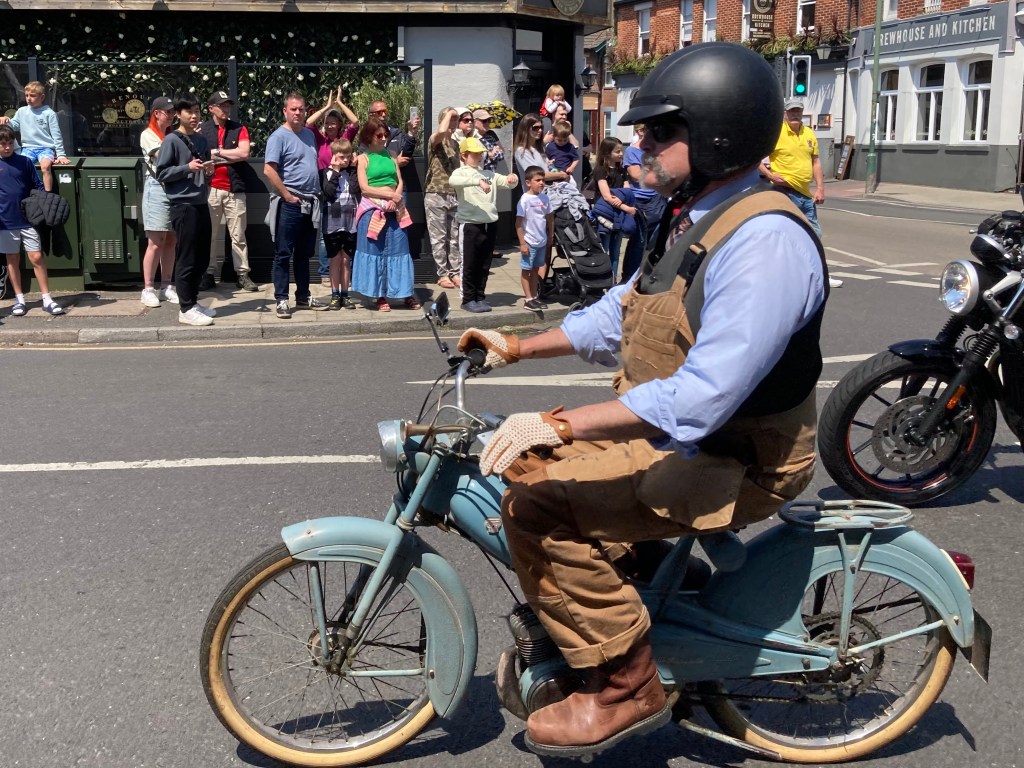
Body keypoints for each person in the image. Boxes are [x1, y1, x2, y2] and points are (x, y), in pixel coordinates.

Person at [457, 43, 828, 757]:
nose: (641, 143)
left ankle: (629, 687)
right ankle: (617, 608)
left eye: (661, 131)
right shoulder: (695, 216)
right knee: (523, 466)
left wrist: (559, 421)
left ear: (719, 134)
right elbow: (620, 314)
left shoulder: (765, 242)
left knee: (539, 508)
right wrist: (516, 346)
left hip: (734, 457)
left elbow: (700, 397)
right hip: (679, 437)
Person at [761, 99, 842, 288]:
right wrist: (770, 174)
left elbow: (816, 161)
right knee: (785, 236)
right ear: (784, 114)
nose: (795, 115)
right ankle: (778, 276)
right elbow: (757, 158)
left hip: (805, 194)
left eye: (798, 111)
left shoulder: (808, 133)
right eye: (791, 112)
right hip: (784, 192)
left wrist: (820, 188)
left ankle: (818, 275)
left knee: (815, 234)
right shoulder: (776, 133)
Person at [263, 91, 329, 318]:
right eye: (293, 109)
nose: (298, 112)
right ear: (285, 111)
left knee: (304, 253)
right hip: (290, 204)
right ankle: (282, 299)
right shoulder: (278, 137)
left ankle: (303, 296)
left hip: (311, 203)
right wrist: (287, 195)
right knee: (283, 253)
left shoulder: (309, 135)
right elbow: (269, 169)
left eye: (301, 109)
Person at [155, 94, 216, 327]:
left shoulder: (201, 141)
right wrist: (187, 168)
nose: (194, 116)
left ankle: (193, 301)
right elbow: (162, 173)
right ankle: (185, 308)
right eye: (189, 111)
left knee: (201, 257)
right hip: (183, 205)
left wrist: (207, 171)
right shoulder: (171, 140)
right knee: (187, 257)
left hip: (201, 202)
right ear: (178, 114)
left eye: (197, 111)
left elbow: (203, 170)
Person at [351, 117, 418, 312]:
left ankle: (404, 293)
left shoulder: (391, 155)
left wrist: (395, 196)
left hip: (394, 207)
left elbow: (399, 180)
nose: (382, 138)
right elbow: (364, 188)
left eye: (385, 135)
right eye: (378, 135)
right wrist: (389, 195)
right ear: (369, 137)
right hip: (373, 208)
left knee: (400, 250)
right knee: (375, 252)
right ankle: (379, 296)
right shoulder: (363, 158)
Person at [0, 124, 64, 317]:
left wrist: (44, 202)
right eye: (3, 144)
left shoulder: (25, 162)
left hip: (28, 218)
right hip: (5, 219)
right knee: (12, 258)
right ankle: (19, 299)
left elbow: (37, 185)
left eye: (10, 143)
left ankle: (47, 298)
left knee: (36, 257)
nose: (7, 147)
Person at [200, 90, 260, 293]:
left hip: (235, 190)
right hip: (210, 188)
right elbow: (199, 155)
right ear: (211, 109)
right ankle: (208, 273)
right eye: (222, 105)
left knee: (238, 234)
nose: (226, 109)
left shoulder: (239, 128)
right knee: (209, 234)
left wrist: (216, 153)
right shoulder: (203, 129)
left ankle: (242, 274)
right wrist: (228, 156)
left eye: (228, 105)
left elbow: (243, 153)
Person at [448, 136, 517, 313]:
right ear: (463, 155)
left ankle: (479, 296)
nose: (479, 157)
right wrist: (476, 181)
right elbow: (453, 182)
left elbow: (507, 183)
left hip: (489, 224)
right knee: (469, 264)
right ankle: (467, 299)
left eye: (481, 153)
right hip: (470, 225)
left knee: (484, 263)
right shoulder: (460, 173)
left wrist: (512, 178)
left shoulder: (489, 174)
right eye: (475, 154)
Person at [139, 96, 178, 308]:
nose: (171, 115)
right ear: (157, 113)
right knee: (155, 242)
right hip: (156, 188)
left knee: (171, 240)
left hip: (174, 189)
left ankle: (167, 286)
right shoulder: (147, 135)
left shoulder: (172, 135)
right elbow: (163, 155)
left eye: (173, 112)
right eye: (168, 111)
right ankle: (148, 288)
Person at [0, 81, 70, 193]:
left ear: (42, 97)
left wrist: (61, 155)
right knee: (20, 166)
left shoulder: (49, 113)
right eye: (27, 95)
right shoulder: (22, 111)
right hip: (28, 148)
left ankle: (47, 195)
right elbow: (14, 126)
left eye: (32, 95)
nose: (29, 98)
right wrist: (6, 121)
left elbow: (57, 135)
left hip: (46, 148)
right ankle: (24, 191)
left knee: (45, 167)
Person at [621, 124, 667, 279]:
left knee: (657, 239)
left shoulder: (655, 149)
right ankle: (629, 277)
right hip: (640, 201)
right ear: (639, 131)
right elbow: (636, 174)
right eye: (646, 130)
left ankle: (649, 274)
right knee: (638, 242)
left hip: (658, 198)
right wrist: (658, 171)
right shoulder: (631, 151)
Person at [589, 136, 636, 282]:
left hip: (619, 215)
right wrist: (627, 208)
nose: (621, 154)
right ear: (607, 152)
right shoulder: (600, 170)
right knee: (605, 249)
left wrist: (623, 203)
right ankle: (601, 278)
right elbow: (607, 196)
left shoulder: (622, 170)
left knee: (615, 252)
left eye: (621, 151)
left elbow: (627, 190)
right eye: (618, 151)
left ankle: (613, 280)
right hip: (605, 216)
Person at [424, 107, 462, 289]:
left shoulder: (455, 144)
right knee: (438, 237)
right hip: (436, 193)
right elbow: (440, 132)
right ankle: (442, 274)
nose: (454, 123)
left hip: (453, 194)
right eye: (451, 119)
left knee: (454, 236)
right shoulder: (434, 139)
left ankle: (455, 272)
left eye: (456, 119)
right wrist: (448, 114)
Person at [321, 139, 359, 310]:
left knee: (346, 259)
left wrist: (353, 168)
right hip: (332, 222)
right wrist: (335, 171)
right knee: (335, 258)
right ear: (334, 156)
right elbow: (328, 192)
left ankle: (345, 293)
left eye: (347, 157)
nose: (344, 160)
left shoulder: (352, 173)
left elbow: (355, 189)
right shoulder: (325, 173)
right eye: (341, 157)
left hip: (349, 221)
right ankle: (335, 293)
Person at [515, 165, 553, 312]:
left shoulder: (545, 198)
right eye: (538, 180)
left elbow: (550, 218)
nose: (541, 183)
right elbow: (518, 223)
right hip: (529, 241)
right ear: (528, 182)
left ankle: (534, 296)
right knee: (527, 270)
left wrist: (550, 236)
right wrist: (522, 243)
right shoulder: (525, 200)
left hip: (541, 240)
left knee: (536, 269)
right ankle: (528, 299)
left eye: (543, 180)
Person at [512, 114, 569, 191]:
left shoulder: (539, 148)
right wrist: (561, 175)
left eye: (541, 127)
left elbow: (546, 170)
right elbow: (536, 175)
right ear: (526, 129)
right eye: (535, 128)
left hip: (549, 195)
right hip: (535, 199)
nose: (540, 130)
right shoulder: (522, 151)